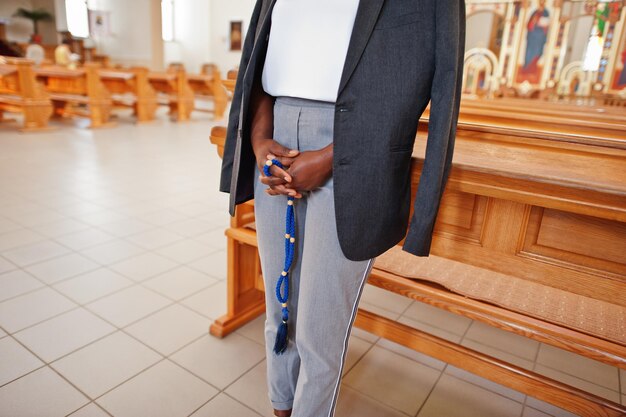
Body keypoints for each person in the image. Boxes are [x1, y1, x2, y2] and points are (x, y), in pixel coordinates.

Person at [220, 1, 465, 416]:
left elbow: (426, 89)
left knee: (319, 328)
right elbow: (257, 66)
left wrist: (334, 155)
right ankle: (281, 407)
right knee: (280, 311)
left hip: (357, 151)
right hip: (275, 137)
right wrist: (260, 142)